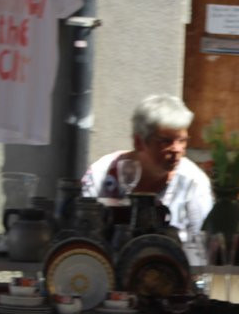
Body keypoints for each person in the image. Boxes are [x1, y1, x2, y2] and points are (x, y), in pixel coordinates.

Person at [81, 94, 213, 243]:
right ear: (139, 142)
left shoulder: (193, 183)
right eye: (166, 141)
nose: (177, 149)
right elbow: (82, 233)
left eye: (182, 141)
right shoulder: (100, 175)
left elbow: (202, 245)